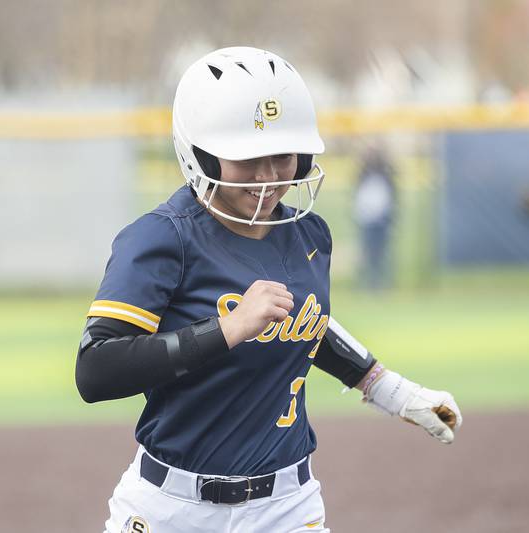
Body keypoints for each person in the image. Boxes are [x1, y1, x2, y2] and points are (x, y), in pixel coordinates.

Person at [75, 47, 462, 533]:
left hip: (287, 506)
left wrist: (389, 389)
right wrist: (228, 328)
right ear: (199, 152)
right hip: (169, 508)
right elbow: (95, 370)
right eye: (247, 158)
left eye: (282, 156)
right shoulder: (162, 236)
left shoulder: (308, 234)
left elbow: (304, 322)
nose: (268, 177)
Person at [353, 146, 396, 289]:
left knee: (381, 254)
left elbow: (391, 197)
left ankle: (381, 283)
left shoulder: (386, 175)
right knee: (368, 253)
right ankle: (368, 283)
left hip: (382, 221)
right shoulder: (363, 175)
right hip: (367, 220)